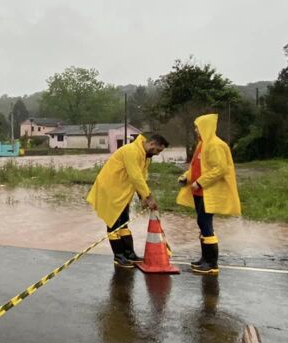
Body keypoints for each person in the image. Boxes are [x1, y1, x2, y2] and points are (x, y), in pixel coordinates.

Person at [87, 133, 170, 268]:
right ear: (152, 144)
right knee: (113, 223)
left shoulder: (145, 157)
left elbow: (141, 177)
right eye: (158, 150)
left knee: (124, 222)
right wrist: (149, 198)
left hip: (123, 192)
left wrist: (142, 197)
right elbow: (135, 176)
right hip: (110, 189)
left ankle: (129, 253)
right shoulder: (131, 151)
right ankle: (119, 257)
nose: (158, 154)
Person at [176, 114, 241, 276]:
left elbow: (220, 169)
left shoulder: (216, 145)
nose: (195, 130)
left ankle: (211, 263)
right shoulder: (202, 145)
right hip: (199, 191)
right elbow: (196, 167)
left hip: (208, 192)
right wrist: (186, 177)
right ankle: (204, 259)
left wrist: (201, 182)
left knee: (206, 225)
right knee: (202, 223)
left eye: (197, 127)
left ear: (205, 127)